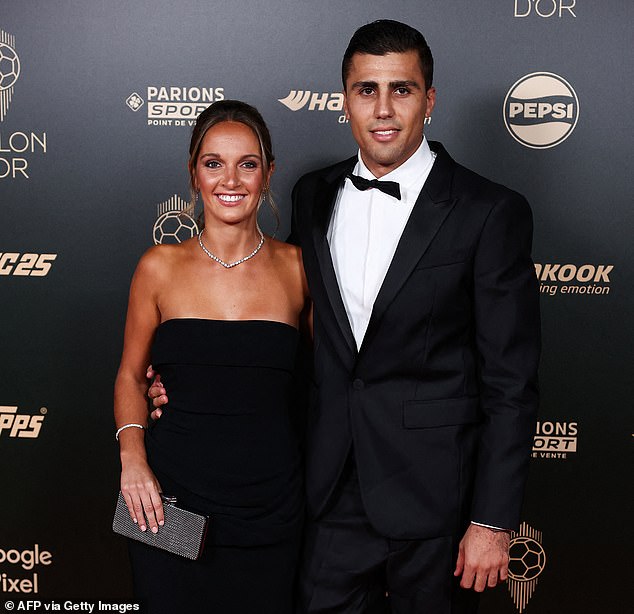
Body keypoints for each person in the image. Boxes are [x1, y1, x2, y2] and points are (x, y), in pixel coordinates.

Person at [151, 20, 540, 614]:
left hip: (437, 502)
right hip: (324, 494)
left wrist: (492, 520)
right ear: (345, 101)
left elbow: (511, 384)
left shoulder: (490, 211)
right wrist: (189, 378)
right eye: (366, 90)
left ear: (429, 100)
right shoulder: (315, 195)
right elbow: (282, 326)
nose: (383, 109)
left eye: (402, 90)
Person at [114, 99, 310, 614]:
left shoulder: (299, 269)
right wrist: (132, 459)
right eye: (213, 163)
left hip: (271, 512)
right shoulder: (159, 266)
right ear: (193, 174)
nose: (231, 179)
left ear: (268, 175)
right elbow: (132, 376)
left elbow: (327, 383)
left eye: (247, 164)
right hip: (167, 506)